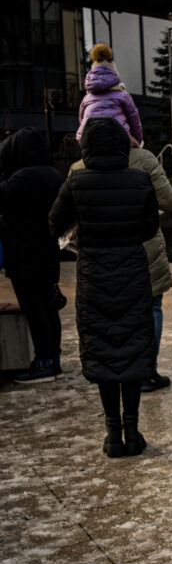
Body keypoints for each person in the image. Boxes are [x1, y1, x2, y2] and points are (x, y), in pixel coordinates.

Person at [48, 117, 159, 456]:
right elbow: (149, 228)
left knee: (105, 351)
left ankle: (113, 435)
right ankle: (134, 431)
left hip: (94, 276)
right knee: (132, 348)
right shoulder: (140, 180)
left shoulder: (76, 181)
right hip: (133, 275)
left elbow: (54, 223)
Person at [71, 141, 172, 391]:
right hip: (142, 248)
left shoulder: (78, 168)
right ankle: (146, 371)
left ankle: (112, 372)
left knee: (106, 311)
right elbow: (170, 201)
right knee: (151, 306)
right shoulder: (144, 159)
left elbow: (63, 218)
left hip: (96, 255)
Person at [0, 128, 63, 382]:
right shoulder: (53, 174)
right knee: (48, 307)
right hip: (48, 252)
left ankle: (44, 361)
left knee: (34, 309)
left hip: (24, 255)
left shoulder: (20, 179)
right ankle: (53, 359)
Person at [76, 44, 144, 148]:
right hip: (118, 141)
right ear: (114, 74)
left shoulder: (86, 99)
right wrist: (138, 142)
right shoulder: (123, 96)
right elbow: (134, 122)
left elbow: (82, 121)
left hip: (91, 142)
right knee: (145, 160)